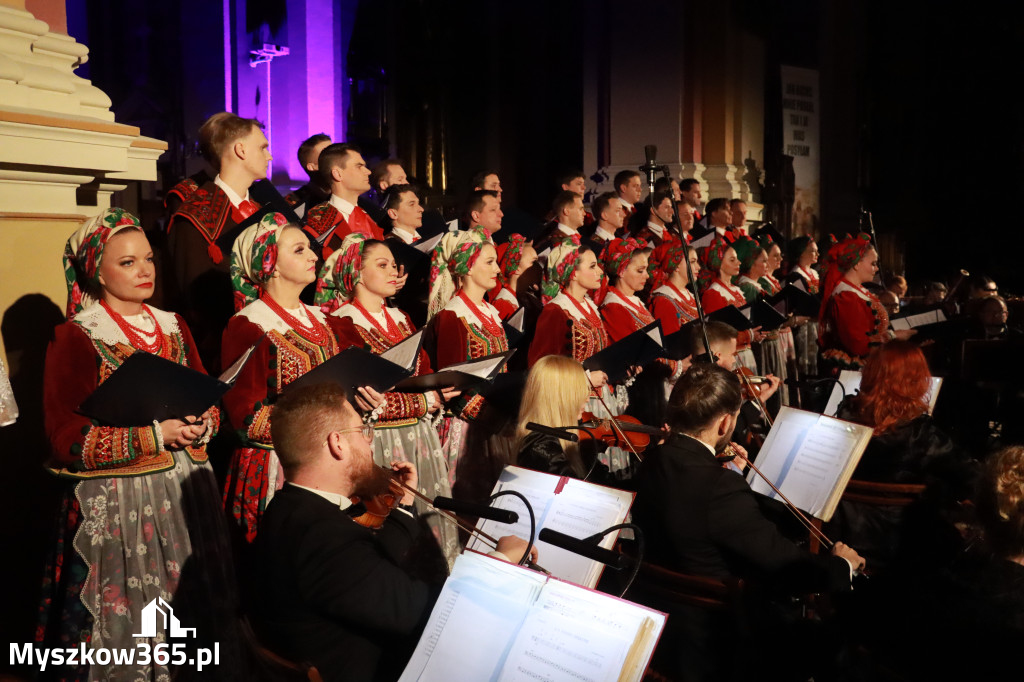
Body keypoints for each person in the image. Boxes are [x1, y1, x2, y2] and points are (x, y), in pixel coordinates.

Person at [38, 208, 233, 680]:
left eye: (148, 259)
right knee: (136, 623)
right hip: (120, 502)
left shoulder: (173, 325)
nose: (144, 270)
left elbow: (208, 396)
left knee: (193, 619)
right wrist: (153, 434)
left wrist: (200, 423)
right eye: (127, 263)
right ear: (95, 270)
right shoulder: (77, 336)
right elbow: (65, 439)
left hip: (185, 488)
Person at [250, 382, 533, 682]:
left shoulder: (288, 509)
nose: (369, 443)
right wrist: (499, 562)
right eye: (362, 431)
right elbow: (435, 614)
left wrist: (402, 505)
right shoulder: (323, 537)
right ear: (337, 444)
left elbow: (366, 573)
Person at [632, 363, 864, 682]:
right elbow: (783, 565)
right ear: (726, 421)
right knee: (838, 641)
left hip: (663, 625)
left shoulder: (650, 463)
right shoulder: (718, 488)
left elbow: (698, 519)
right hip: (721, 642)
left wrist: (728, 474)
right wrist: (841, 566)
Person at [220, 212, 383, 542]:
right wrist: (318, 427)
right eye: (299, 250)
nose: (313, 256)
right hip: (279, 469)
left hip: (335, 463)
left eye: (310, 249)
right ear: (271, 264)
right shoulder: (250, 324)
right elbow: (245, 419)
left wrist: (365, 403)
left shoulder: (326, 321)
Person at [315, 234, 461, 566]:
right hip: (379, 441)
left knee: (425, 523)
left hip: (419, 436)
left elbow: (424, 370)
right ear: (357, 271)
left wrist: (439, 387)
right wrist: (423, 401)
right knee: (387, 525)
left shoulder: (403, 318)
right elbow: (358, 396)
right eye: (382, 265)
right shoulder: (341, 323)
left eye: (394, 266)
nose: (393, 272)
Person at [832, 341, 975, 566]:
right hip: (908, 547)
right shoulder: (922, 436)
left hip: (842, 539)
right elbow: (972, 480)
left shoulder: (840, 422)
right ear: (916, 381)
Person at [166, 112, 271, 373]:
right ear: (240, 150)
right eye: (263, 147)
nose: (269, 156)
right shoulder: (195, 216)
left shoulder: (266, 211)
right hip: (226, 353)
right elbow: (193, 302)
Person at [528, 236, 635, 479]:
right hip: (575, 403)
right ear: (573, 274)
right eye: (592, 266)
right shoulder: (556, 310)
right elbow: (541, 368)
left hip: (600, 400)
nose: (600, 271)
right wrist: (583, 379)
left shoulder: (589, 307)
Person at [427, 228, 513, 501]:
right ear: (466, 266)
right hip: (466, 427)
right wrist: (493, 418)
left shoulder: (490, 313)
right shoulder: (453, 315)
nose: (497, 269)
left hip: (494, 421)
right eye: (489, 262)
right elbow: (451, 384)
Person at [819, 233, 915, 373]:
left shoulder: (858, 290)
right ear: (857, 264)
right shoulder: (845, 297)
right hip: (855, 369)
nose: (876, 269)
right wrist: (893, 336)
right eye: (873, 264)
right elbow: (858, 344)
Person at [515, 355, 610, 482]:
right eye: (581, 391)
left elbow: (606, 483)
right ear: (562, 398)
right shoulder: (540, 447)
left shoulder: (564, 438)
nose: (587, 399)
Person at [303, 143, 384, 259]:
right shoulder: (318, 219)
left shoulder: (370, 217)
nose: (368, 172)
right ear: (338, 174)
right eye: (359, 166)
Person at [733, 236, 788, 407]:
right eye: (763, 261)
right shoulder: (747, 287)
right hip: (760, 345)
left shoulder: (758, 285)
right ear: (752, 263)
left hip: (767, 340)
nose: (767, 265)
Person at [697, 238, 761, 373]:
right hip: (731, 355)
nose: (738, 263)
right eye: (732, 260)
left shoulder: (735, 290)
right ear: (719, 264)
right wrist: (747, 335)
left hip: (745, 352)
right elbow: (717, 334)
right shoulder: (714, 293)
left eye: (737, 259)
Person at [785, 235, 821, 378]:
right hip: (804, 326)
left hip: (816, 323)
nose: (817, 254)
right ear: (801, 253)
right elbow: (806, 304)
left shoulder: (814, 273)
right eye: (813, 251)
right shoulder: (795, 275)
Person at [648, 241, 700, 334]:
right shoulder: (664, 299)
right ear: (676, 266)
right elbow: (671, 340)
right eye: (692, 262)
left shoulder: (689, 294)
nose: (698, 267)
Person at [490, 233, 537, 320]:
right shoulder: (504, 304)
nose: (537, 268)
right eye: (533, 262)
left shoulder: (517, 299)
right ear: (517, 268)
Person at [284, 133, 332, 214]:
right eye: (327, 153)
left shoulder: (350, 195)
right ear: (312, 167)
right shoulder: (293, 202)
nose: (336, 157)